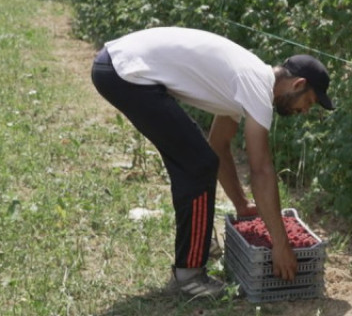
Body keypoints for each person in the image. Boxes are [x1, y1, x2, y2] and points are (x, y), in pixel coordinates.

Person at [90, 26, 334, 298]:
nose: (304, 111)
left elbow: (219, 146)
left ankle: (198, 248)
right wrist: (281, 244)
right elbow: (261, 170)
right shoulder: (255, 85)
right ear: (298, 84)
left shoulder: (247, 79)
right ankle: (190, 275)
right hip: (124, 71)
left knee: (198, 159)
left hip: (117, 65)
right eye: (308, 102)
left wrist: (242, 205)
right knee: (197, 164)